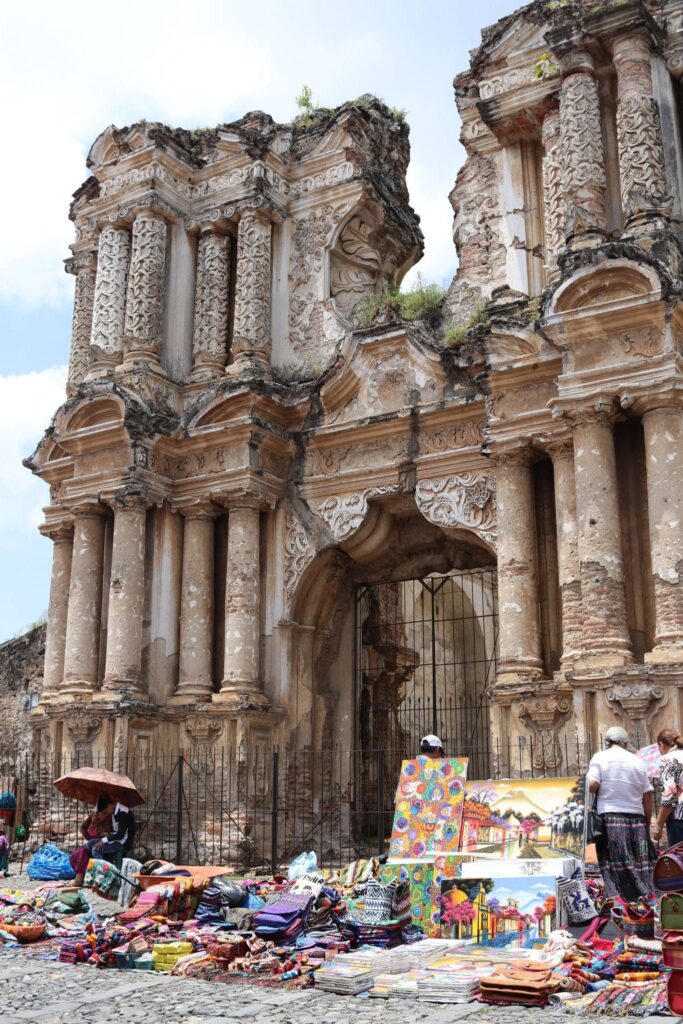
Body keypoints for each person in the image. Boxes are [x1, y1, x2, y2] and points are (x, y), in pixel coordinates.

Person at [587, 725, 656, 901]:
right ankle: (643, 897)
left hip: (610, 816)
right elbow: (647, 795)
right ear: (625, 743)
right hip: (637, 818)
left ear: (607, 741)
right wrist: (647, 822)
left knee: (613, 861)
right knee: (639, 861)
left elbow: (592, 786)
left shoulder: (600, 757)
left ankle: (619, 900)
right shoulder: (637, 761)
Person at [651, 729, 683, 847]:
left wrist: (658, 825)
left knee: (678, 856)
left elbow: (669, 797)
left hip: (679, 819)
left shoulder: (668, 760)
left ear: (661, 744)